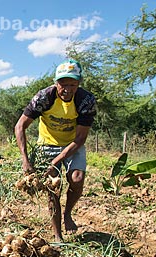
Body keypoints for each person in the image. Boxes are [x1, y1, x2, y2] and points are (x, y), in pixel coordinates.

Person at [14, 59, 97, 242]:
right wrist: (25, 159)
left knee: (77, 179)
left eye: (73, 84)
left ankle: (68, 213)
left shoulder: (86, 100)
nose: (67, 89)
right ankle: (58, 236)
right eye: (63, 84)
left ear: (79, 83)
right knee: (53, 188)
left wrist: (56, 161)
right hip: (47, 144)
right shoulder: (44, 97)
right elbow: (20, 126)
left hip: (73, 144)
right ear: (56, 83)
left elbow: (81, 138)